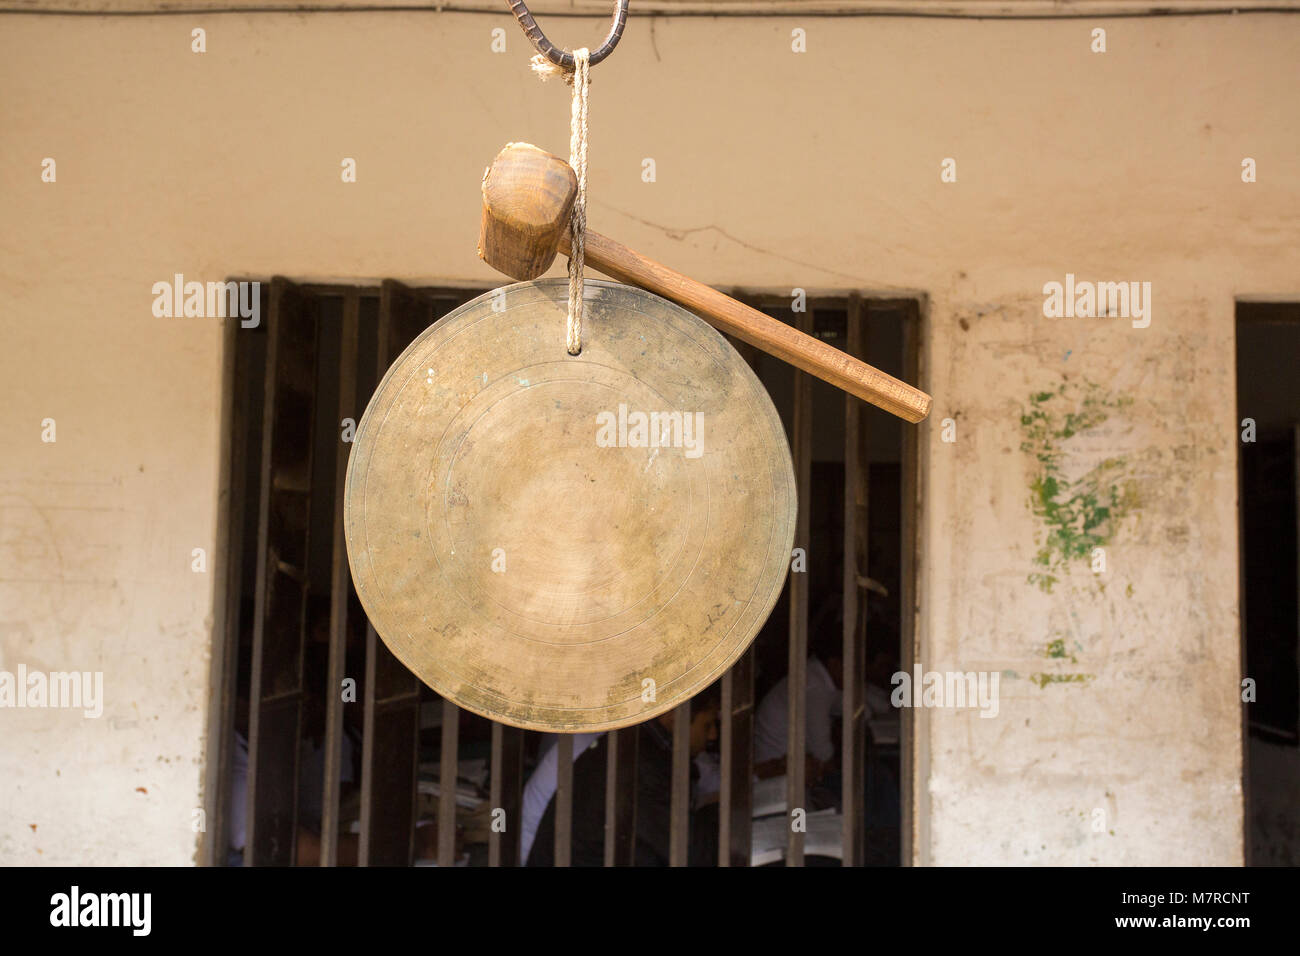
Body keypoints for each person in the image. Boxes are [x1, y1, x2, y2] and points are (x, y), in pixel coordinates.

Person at [526, 686, 720, 866]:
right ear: (675, 716)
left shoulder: (633, 748)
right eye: (707, 725)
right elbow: (693, 853)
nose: (713, 735)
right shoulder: (641, 763)